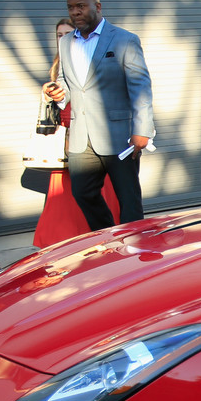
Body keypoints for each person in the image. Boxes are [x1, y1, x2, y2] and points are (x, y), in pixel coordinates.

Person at [43, 0, 154, 230]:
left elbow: (140, 86)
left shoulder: (124, 39)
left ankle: (136, 249)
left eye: (81, 6)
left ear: (98, 6)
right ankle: (109, 238)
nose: (75, 12)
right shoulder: (66, 43)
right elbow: (66, 81)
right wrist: (59, 93)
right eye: (71, 8)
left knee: (129, 200)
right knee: (82, 193)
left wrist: (143, 129)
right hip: (82, 138)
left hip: (119, 137)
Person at [32, 18, 120, 249]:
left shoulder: (94, 61)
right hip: (67, 148)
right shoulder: (57, 66)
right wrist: (50, 96)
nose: (63, 39)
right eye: (59, 35)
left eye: (67, 34)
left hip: (93, 147)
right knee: (64, 216)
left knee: (96, 208)